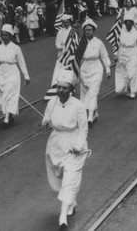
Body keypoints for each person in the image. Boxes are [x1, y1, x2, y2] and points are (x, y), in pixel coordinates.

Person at [42, 70, 89, 230]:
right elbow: (47, 118)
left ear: (71, 90)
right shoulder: (52, 102)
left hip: (74, 146)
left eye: (64, 88)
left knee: (70, 179)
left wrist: (78, 145)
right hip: (56, 145)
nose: (60, 90)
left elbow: (83, 129)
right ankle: (71, 202)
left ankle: (62, 217)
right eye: (59, 87)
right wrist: (45, 122)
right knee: (60, 177)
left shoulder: (78, 106)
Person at [0, 24, 30, 127]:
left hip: (12, 72)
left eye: (6, 35)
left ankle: (6, 117)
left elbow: (21, 62)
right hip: (1, 73)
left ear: (11, 36)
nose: (4, 37)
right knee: (4, 95)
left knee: (10, 93)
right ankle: (9, 114)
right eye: (3, 35)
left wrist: (26, 76)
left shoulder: (16, 48)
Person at [79, 18, 111, 125]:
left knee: (93, 93)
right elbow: (78, 58)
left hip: (96, 69)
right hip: (84, 69)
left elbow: (104, 55)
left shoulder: (98, 42)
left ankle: (89, 117)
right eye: (86, 30)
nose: (87, 32)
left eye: (90, 30)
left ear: (93, 31)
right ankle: (94, 112)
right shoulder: (81, 43)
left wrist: (108, 68)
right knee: (85, 94)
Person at [115, 15, 137, 98]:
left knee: (133, 72)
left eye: (130, 23)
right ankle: (127, 88)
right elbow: (117, 45)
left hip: (133, 53)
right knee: (124, 73)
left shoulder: (136, 33)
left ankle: (133, 91)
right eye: (126, 24)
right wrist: (116, 55)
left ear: (132, 24)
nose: (128, 25)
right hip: (122, 52)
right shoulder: (120, 33)